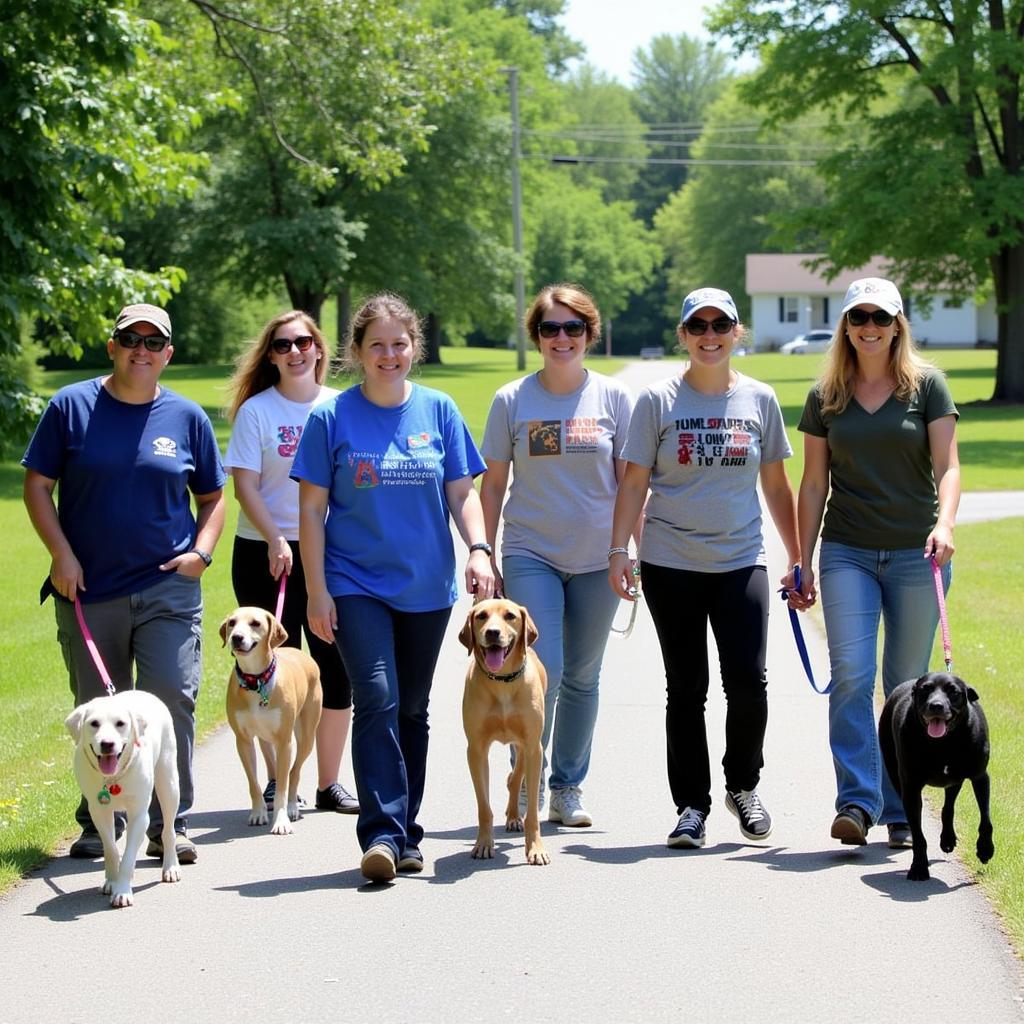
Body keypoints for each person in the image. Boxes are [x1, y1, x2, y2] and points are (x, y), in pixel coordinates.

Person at [292, 292, 495, 882]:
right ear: (357, 352)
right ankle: (380, 834)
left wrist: (479, 547)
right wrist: (316, 590)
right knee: (376, 694)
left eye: (399, 343)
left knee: (412, 706)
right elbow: (310, 512)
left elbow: (462, 492)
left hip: (427, 586)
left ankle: (407, 832)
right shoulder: (331, 418)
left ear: (414, 348)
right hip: (354, 583)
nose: (389, 354)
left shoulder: (439, 410)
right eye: (376, 345)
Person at [22, 302, 226, 863]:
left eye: (153, 341)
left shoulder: (188, 418)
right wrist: (61, 556)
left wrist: (201, 555)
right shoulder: (71, 407)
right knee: (98, 709)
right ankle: (99, 820)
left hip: (168, 589)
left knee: (171, 701)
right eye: (130, 338)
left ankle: (168, 823)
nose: (142, 349)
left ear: (168, 354)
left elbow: (212, 498)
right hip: (89, 590)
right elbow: (37, 486)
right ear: (111, 346)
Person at [609, 287, 801, 849]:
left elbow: (775, 483)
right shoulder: (657, 401)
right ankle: (691, 805)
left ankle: (743, 784)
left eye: (721, 325)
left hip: (741, 561)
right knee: (685, 688)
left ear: (737, 332)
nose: (710, 335)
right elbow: (634, 481)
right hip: (671, 563)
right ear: (684, 335)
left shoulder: (760, 400)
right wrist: (619, 551)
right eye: (699, 326)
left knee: (749, 683)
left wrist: (797, 559)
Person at [793, 277, 960, 848]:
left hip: (918, 554)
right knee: (851, 676)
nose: (869, 326)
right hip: (848, 552)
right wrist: (802, 557)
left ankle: (900, 806)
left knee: (906, 685)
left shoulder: (927, 386)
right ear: (846, 325)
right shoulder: (826, 396)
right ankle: (857, 804)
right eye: (858, 316)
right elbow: (813, 483)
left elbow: (949, 468)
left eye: (879, 317)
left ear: (896, 325)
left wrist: (945, 524)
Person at [480, 283, 636, 829]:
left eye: (573, 328)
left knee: (583, 675)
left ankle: (567, 785)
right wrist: (485, 552)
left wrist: (631, 551)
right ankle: (527, 783)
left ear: (589, 334)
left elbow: (629, 484)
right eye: (551, 328)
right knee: (539, 670)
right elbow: (493, 484)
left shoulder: (615, 399)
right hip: (530, 552)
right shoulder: (512, 400)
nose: (562, 338)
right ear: (537, 336)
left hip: (598, 558)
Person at [223, 310, 358, 815]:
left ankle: (327, 783)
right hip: (264, 549)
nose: (295, 351)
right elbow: (244, 486)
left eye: (304, 342)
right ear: (272, 355)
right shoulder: (258, 411)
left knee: (333, 666)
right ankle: (282, 786)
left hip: (327, 551)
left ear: (319, 348)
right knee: (272, 671)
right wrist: (276, 538)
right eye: (283, 345)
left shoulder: (342, 406)